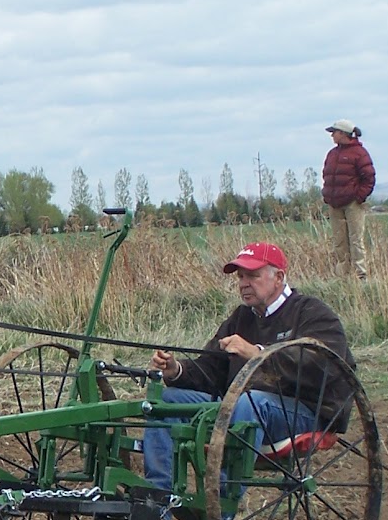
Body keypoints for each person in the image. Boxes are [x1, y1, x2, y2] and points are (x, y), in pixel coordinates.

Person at [143, 242, 355, 495]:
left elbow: (323, 365)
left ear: (278, 277)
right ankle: (156, 500)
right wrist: (176, 370)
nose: (244, 283)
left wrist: (256, 354)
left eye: (253, 275)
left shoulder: (312, 313)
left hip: (304, 413)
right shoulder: (241, 318)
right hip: (240, 408)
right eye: (240, 276)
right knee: (167, 402)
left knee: (251, 402)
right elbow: (212, 371)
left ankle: (222, 505)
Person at [322, 119, 375, 278]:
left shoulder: (360, 153)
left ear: (342, 133)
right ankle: (343, 276)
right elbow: (326, 176)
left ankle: (361, 276)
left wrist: (358, 198)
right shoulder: (332, 154)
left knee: (355, 240)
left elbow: (369, 178)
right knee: (339, 242)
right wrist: (327, 196)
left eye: (334, 132)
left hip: (353, 204)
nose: (332, 135)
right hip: (334, 204)